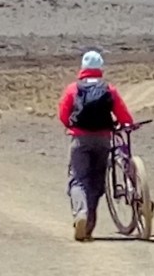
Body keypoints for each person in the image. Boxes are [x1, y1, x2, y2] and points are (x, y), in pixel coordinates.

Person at [56, 50, 134, 242]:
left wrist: (71, 127)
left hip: (80, 140)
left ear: (83, 68)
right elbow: (122, 114)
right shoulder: (109, 89)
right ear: (100, 68)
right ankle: (89, 225)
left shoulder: (73, 89)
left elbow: (63, 114)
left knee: (78, 179)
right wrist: (127, 124)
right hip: (103, 140)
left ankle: (80, 214)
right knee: (96, 183)